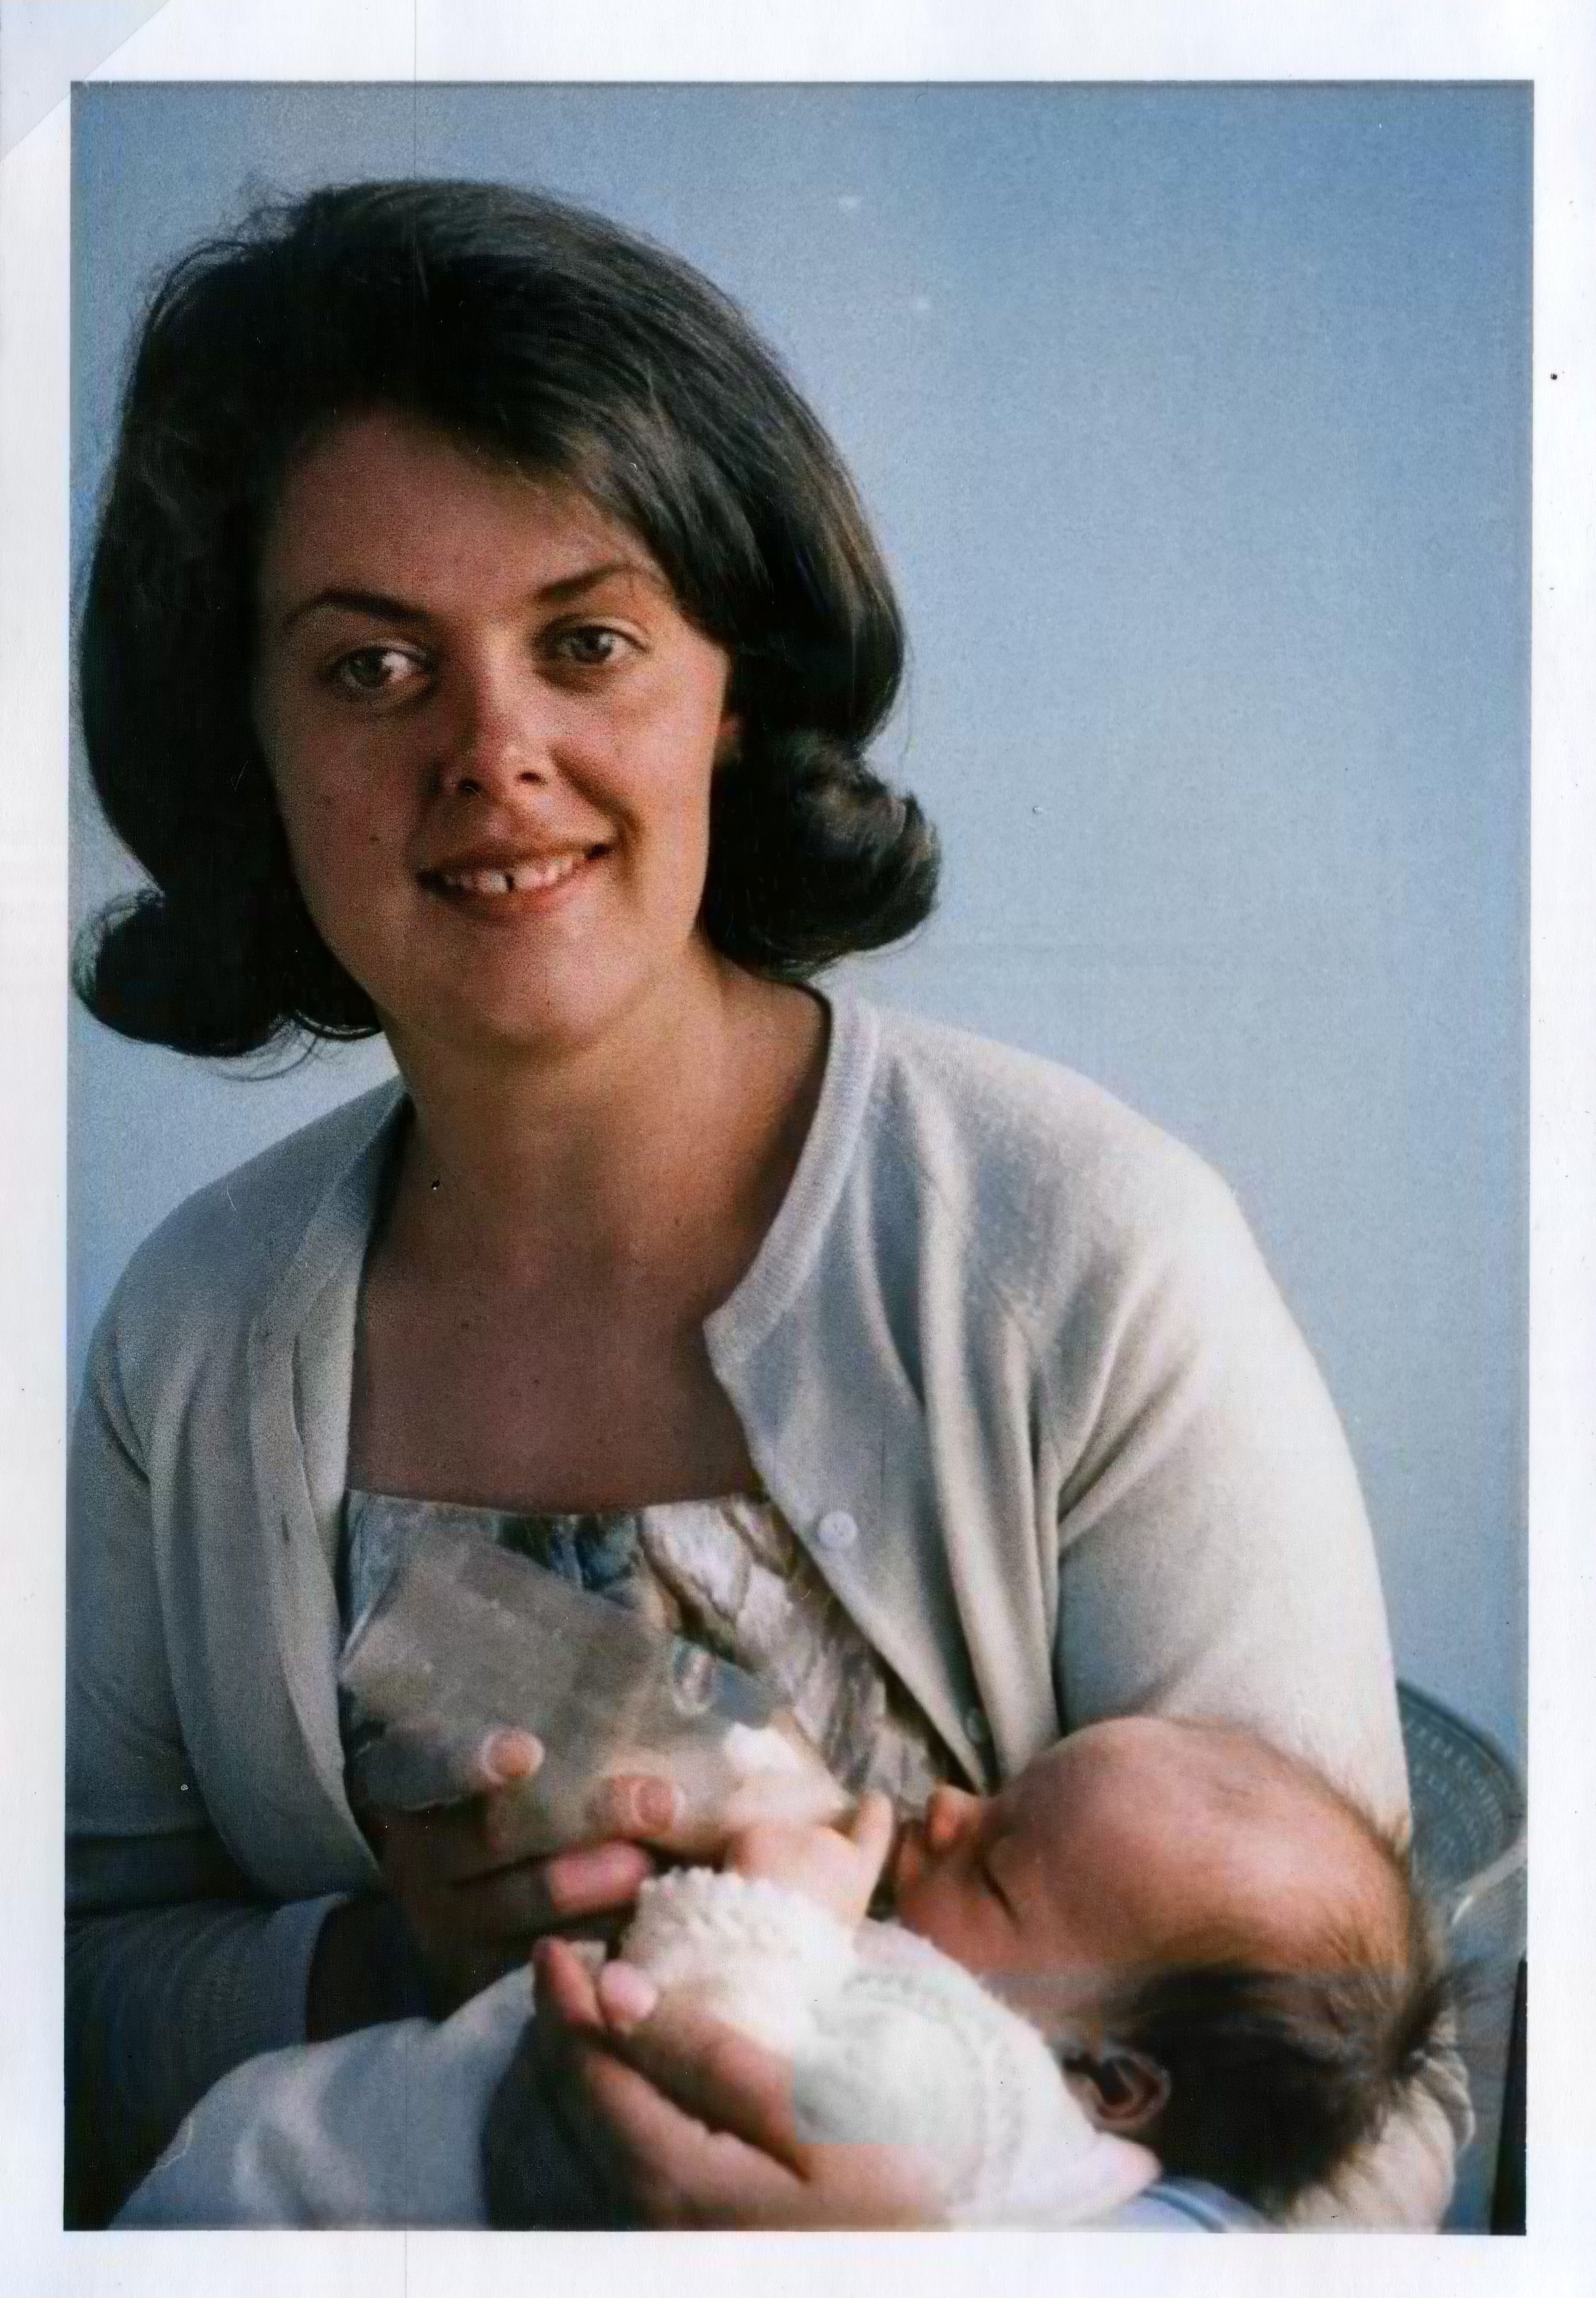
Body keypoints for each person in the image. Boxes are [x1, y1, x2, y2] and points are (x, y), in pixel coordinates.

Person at [67, 177, 1436, 2230]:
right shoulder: (186, 1342)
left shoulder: (1086, 1255)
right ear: (240, 744)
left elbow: (1357, 2109)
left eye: (589, 640)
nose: (492, 751)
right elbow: (55, 2003)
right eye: (367, 671)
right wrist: (382, 1968)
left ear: (733, 688)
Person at [116, 1719, 1459, 2231]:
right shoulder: (1018, 2046)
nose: (940, 1806)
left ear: (1112, 2082)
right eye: (992, 1792)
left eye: (991, 1867)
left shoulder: (964, 2083)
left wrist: (768, 1904)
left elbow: (724, 2089)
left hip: (292, 2206)